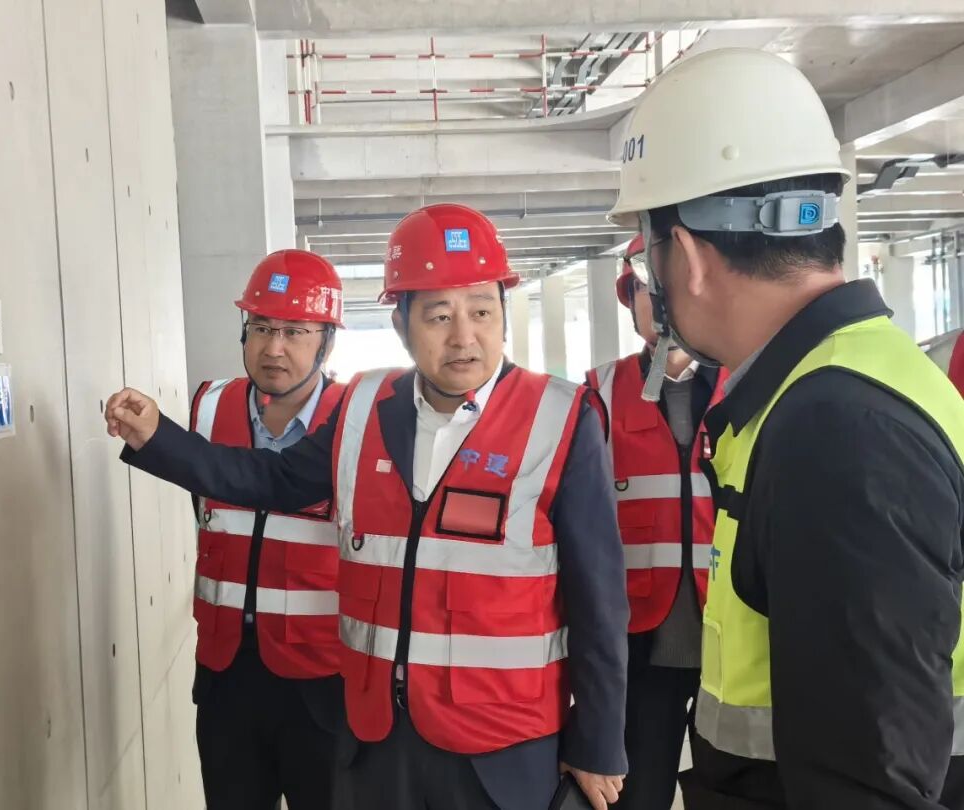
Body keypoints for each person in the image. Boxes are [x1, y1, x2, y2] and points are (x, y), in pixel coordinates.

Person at [104, 203, 630, 810]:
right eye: (439, 316)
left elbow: (599, 597)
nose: (464, 337)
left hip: (503, 747)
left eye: (482, 311)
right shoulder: (365, 408)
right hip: (377, 738)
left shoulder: (560, 418)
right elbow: (271, 479)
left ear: (504, 315)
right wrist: (159, 438)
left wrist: (598, 741)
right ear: (401, 323)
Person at [607, 47, 964, 809]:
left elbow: (863, 786)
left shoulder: (835, 431)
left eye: (649, 260)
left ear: (689, 257)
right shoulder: (845, 382)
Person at [187, 249, 346, 810]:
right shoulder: (208, 408)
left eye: (295, 331)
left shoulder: (355, 422)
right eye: (261, 327)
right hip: (226, 675)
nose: (273, 348)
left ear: (327, 340)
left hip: (324, 685)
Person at [585, 234, 726, 810]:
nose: (660, 302)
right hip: (639, 646)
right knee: (638, 795)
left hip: (733, 641)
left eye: (668, 286)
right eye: (646, 289)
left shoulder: (748, 385)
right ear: (630, 300)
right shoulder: (596, 394)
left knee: (733, 792)